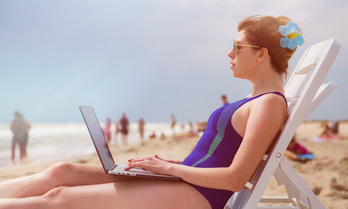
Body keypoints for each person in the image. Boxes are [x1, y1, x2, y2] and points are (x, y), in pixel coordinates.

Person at [0, 15, 303, 209]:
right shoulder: (255, 98)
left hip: (198, 196)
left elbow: (235, 179)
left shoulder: (268, 104)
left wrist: (170, 169)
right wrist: (162, 164)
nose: (230, 54)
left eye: (237, 47)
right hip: (185, 181)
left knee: (59, 199)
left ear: (261, 54)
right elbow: (215, 155)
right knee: (62, 171)